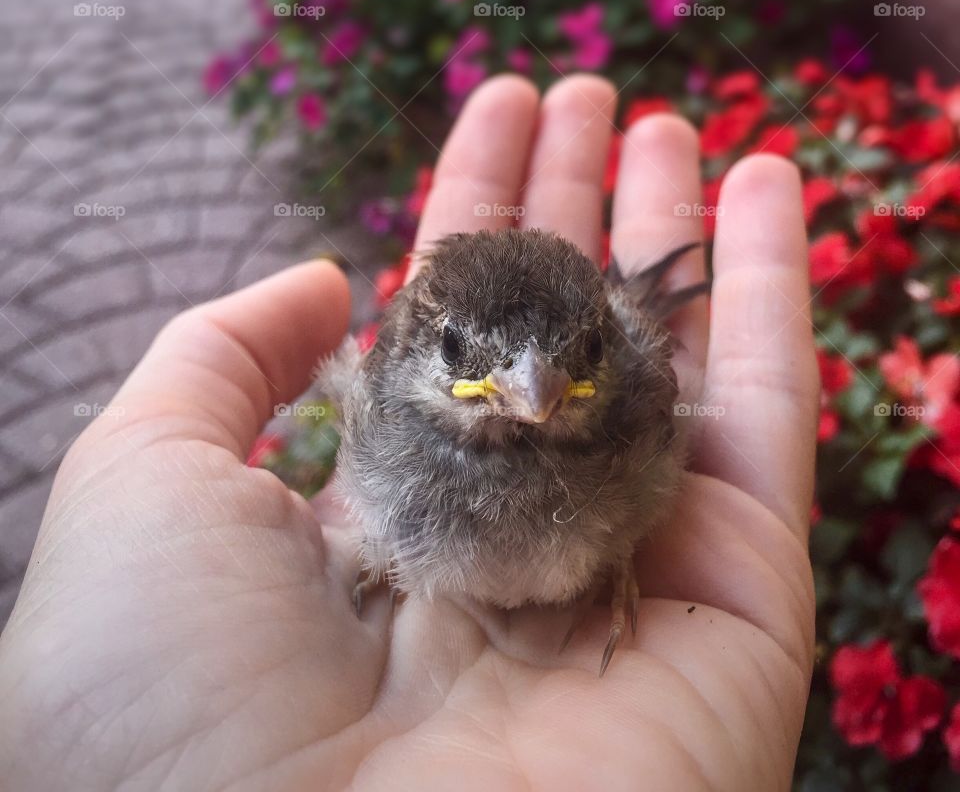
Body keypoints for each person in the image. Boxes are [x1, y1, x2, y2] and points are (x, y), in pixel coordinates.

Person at [0, 74, 817, 790]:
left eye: (575, 358)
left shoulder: (630, 398)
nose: (531, 391)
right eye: (467, 354)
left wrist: (624, 553)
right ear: (425, 343)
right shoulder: (386, 411)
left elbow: (613, 363)